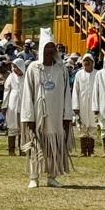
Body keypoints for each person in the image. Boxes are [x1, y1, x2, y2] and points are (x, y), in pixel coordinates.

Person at [20, 40, 73, 189]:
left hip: (56, 116)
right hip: (38, 115)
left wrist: (67, 116)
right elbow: (27, 94)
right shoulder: (33, 68)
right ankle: (33, 177)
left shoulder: (61, 69)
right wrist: (29, 117)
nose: (49, 51)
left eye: (51, 47)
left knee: (54, 146)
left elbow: (66, 94)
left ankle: (52, 177)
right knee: (35, 146)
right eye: (46, 47)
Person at [72, 53, 101, 158]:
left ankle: (91, 151)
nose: (86, 62)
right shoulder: (79, 75)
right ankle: (83, 151)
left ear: (93, 62)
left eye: (89, 60)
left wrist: (99, 105)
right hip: (82, 104)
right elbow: (75, 91)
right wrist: (75, 106)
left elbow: (99, 91)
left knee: (93, 127)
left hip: (94, 105)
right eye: (85, 60)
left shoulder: (98, 74)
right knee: (82, 127)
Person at [2, 58, 26, 155]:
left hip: (24, 104)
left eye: (16, 67)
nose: (14, 69)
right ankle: (11, 149)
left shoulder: (27, 76)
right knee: (12, 127)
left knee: (23, 128)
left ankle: (23, 149)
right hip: (12, 103)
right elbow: (6, 91)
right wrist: (4, 105)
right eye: (13, 67)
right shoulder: (11, 77)